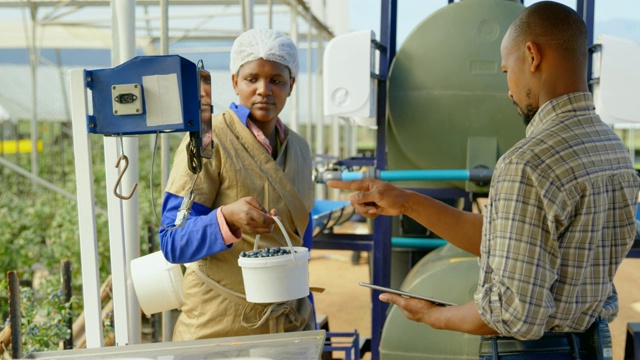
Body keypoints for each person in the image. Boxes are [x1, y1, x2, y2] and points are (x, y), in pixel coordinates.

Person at [328, 2, 639, 359]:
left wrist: (433, 315)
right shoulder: (613, 151)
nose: (508, 89)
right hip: (590, 348)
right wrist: (405, 201)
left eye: (507, 70)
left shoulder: (527, 163)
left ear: (532, 55)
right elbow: (510, 244)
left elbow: (512, 315)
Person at [159, 28, 316, 340]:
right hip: (218, 324)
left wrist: (309, 313)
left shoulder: (300, 149)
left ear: (291, 84)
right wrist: (226, 219)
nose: (264, 90)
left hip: (286, 326)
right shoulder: (208, 141)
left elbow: (302, 243)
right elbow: (172, 241)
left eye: (276, 80)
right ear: (234, 82)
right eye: (252, 79)